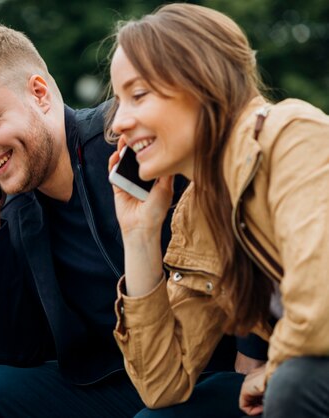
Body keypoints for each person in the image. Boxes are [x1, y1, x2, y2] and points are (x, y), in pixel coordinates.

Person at [0, 24, 255, 417]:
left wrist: (254, 349)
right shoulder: (15, 209)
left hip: (212, 368)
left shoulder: (131, 147)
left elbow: (242, 225)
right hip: (117, 379)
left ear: (40, 94)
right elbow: (16, 351)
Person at [108, 4, 329, 417]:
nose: (119, 121)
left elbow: (320, 305)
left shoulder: (291, 135)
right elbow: (162, 385)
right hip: (303, 373)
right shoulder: (199, 212)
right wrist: (139, 237)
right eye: (119, 101)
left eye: (138, 95)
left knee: (295, 387)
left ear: (201, 82)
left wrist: (274, 369)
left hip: (308, 376)